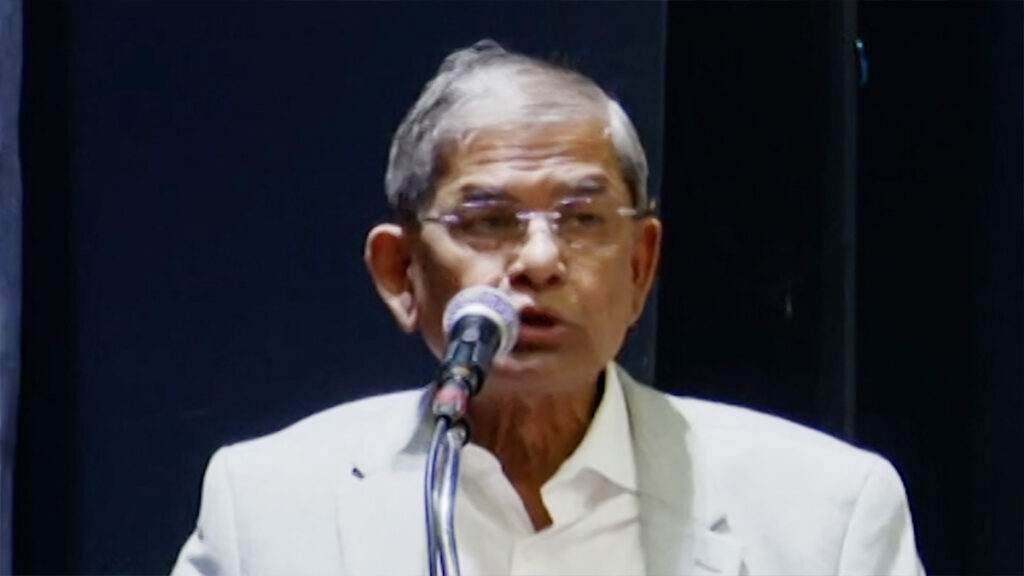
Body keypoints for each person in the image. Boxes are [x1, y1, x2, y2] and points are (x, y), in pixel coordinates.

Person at [171, 40, 924, 575]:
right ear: (401, 273)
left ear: (640, 267)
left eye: (583, 218)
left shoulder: (823, 513)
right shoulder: (269, 505)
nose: (538, 260)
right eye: (489, 220)